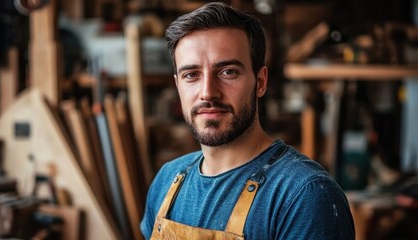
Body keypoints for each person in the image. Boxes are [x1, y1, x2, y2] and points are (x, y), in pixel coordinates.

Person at [140, 2, 355, 239]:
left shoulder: (304, 196)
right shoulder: (167, 181)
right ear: (177, 85)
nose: (208, 92)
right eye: (191, 75)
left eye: (228, 71)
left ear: (260, 82)